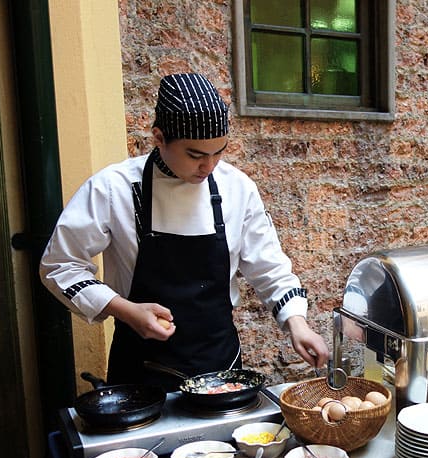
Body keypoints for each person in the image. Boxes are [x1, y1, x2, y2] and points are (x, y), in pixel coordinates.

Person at [40, 72, 330, 386]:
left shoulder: (237, 189)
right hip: (142, 374)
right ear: (159, 137)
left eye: (219, 152)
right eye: (195, 155)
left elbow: (268, 266)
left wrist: (297, 323)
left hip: (221, 370)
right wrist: (124, 310)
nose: (209, 167)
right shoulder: (114, 189)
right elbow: (60, 265)